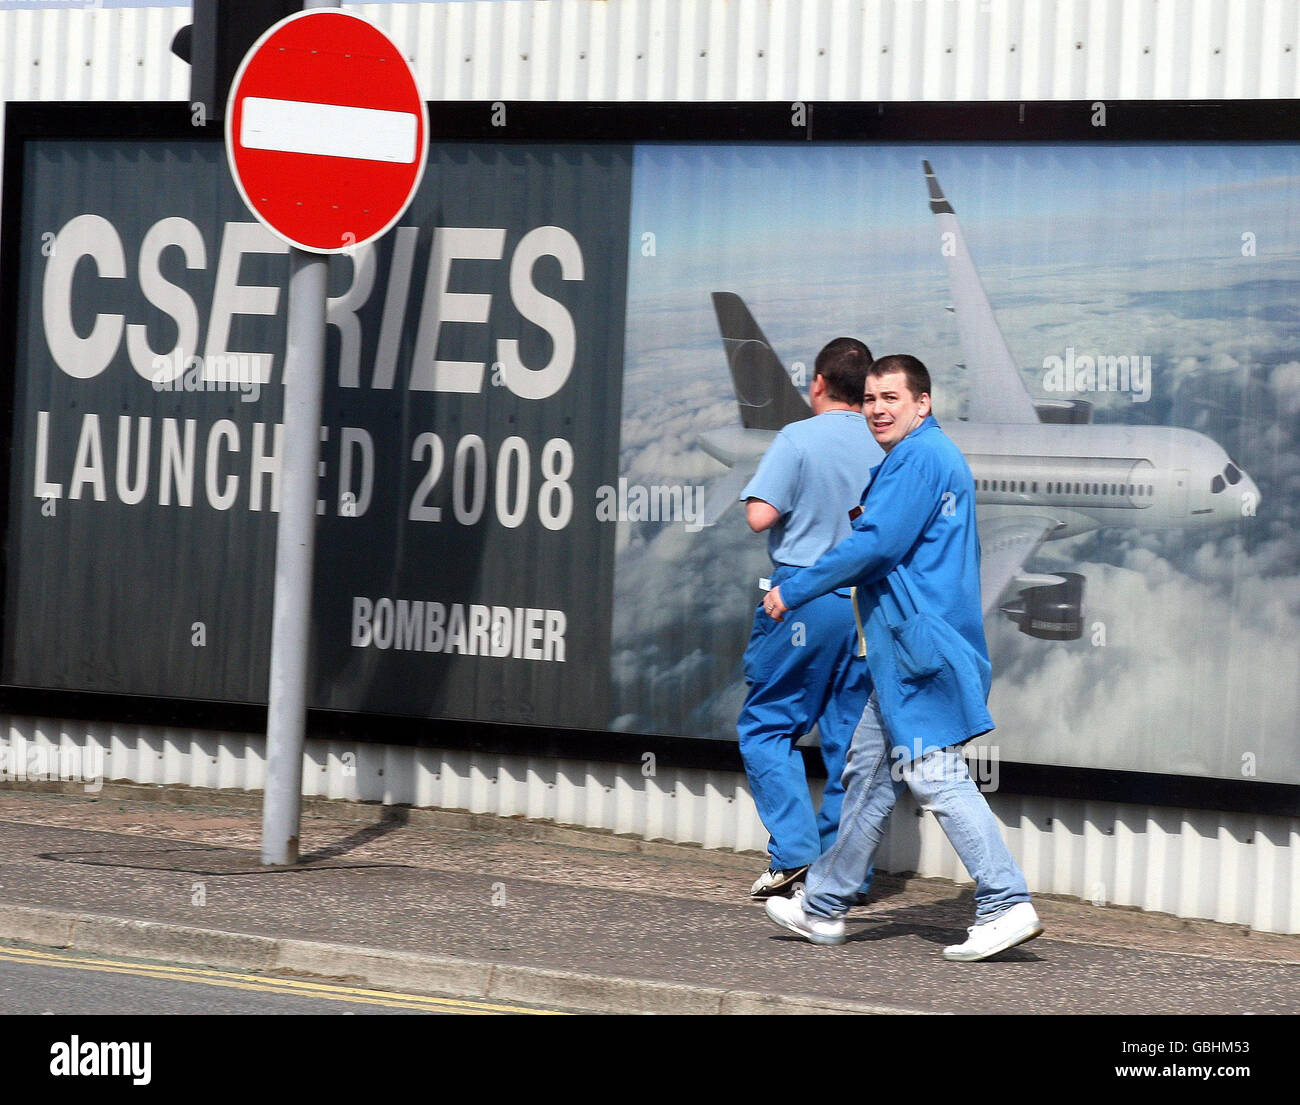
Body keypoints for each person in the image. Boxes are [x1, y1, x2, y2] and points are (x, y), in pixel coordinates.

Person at [762, 354, 1043, 960]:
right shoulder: (923, 454)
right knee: (869, 772)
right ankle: (824, 908)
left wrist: (795, 587)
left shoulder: (918, 458)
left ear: (923, 403)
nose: (878, 409)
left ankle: (1005, 901)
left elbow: (875, 546)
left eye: (891, 398)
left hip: (918, 648)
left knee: (932, 774)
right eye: (869, 399)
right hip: (903, 649)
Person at [737, 336, 882, 899]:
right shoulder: (885, 441)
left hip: (801, 601)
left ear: (818, 383)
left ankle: (795, 854)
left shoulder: (797, 437)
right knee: (850, 748)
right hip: (866, 611)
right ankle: (844, 878)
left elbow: (760, 516)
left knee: (767, 726)